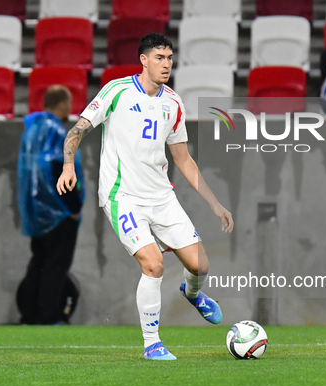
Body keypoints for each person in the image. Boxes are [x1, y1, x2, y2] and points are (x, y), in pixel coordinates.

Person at [57, 33, 234, 360]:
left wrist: (214, 203)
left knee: (200, 266)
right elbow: (77, 130)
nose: (166, 64)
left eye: (169, 58)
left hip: (161, 198)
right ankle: (152, 343)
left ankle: (193, 294)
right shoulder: (117, 91)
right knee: (153, 264)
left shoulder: (173, 103)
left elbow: (183, 159)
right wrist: (69, 165)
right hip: (122, 196)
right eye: (159, 58)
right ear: (143, 60)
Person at [17, 85, 85, 325]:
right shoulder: (55, 130)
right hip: (58, 210)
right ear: (62, 104)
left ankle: (29, 313)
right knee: (56, 264)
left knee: (39, 261)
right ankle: (49, 314)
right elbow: (58, 166)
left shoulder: (32, 130)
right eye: (69, 102)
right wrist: (73, 206)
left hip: (37, 211)